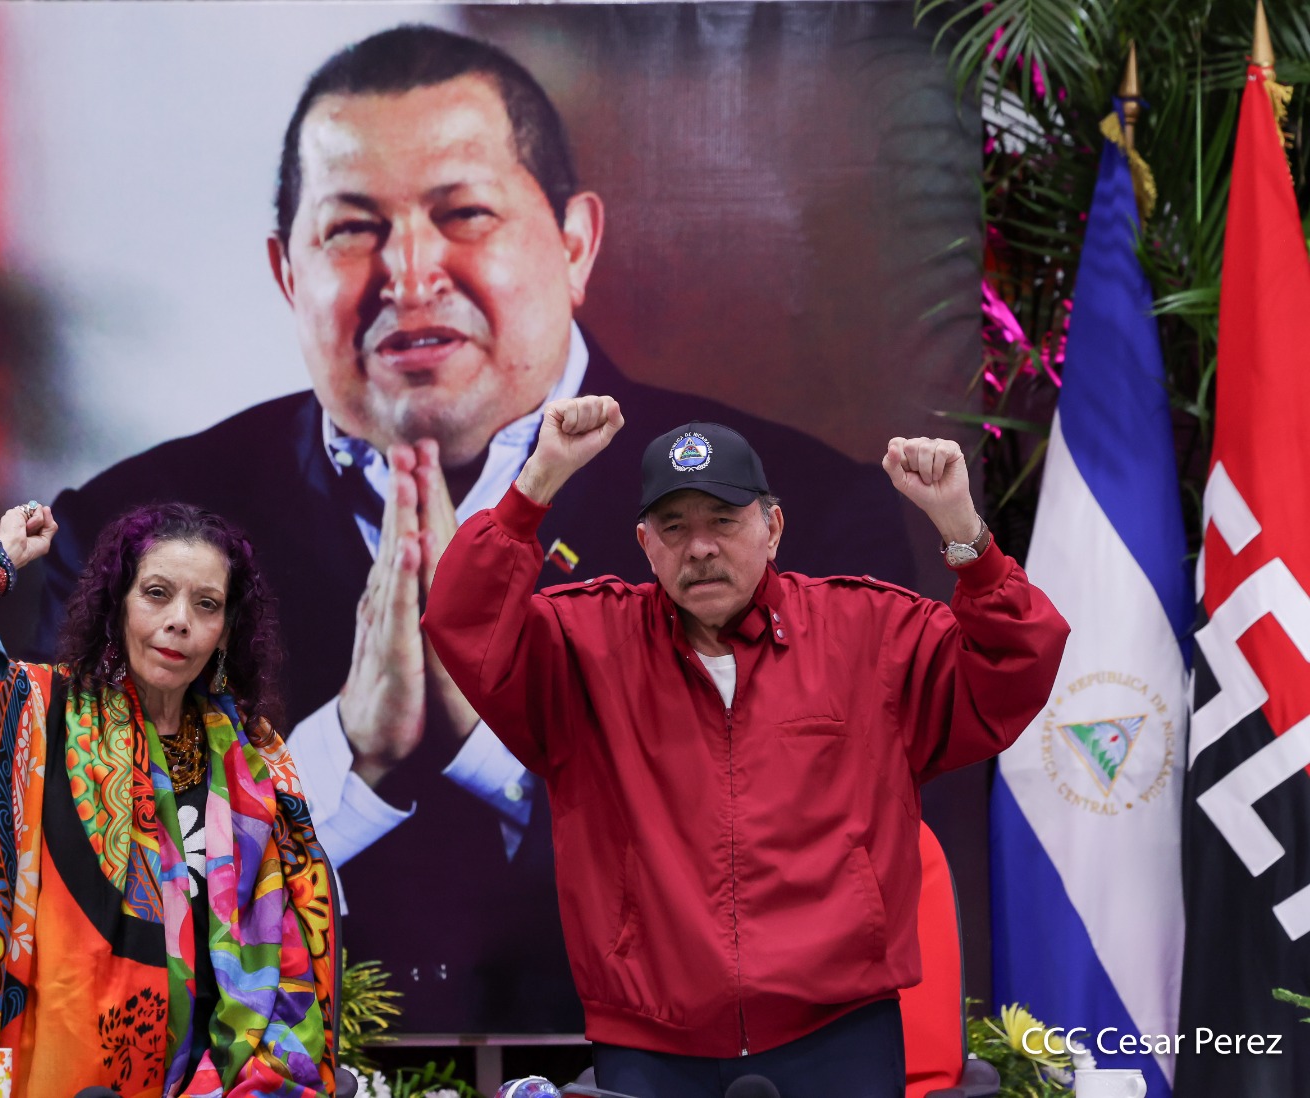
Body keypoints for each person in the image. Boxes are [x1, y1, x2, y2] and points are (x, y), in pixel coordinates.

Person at [24, 25, 914, 1031]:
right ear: (287, 273)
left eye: (465, 214)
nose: (409, 273)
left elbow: (823, 864)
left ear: (574, 243)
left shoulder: (801, 515)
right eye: (351, 228)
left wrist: (493, 744)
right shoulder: (126, 534)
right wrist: (350, 755)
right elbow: (89, 898)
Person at [422, 397, 1070, 1098]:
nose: (700, 547)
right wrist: (536, 483)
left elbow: (1015, 664)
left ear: (773, 528)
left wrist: (964, 531)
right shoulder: (584, 648)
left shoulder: (869, 632)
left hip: (841, 1031)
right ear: (645, 544)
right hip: (650, 1041)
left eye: (724, 521)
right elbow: (464, 621)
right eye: (674, 527)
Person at [0, 502, 338, 1098]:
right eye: (156, 593)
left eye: (206, 605)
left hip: (229, 1081)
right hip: (62, 1076)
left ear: (227, 631)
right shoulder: (39, 715)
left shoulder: (256, 760)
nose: (180, 621)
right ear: (117, 604)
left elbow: (294, 940)